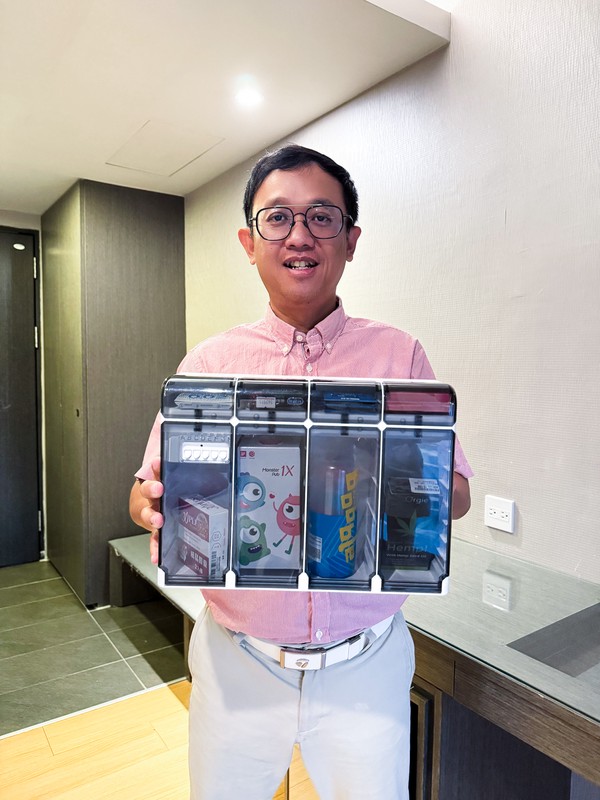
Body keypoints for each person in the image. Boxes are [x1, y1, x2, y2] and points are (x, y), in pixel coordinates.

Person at [130, 144, 472, 800]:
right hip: (237, 664)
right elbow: (146, 488)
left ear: (350, 240)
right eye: (278, 217)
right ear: (249, 242)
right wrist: (151, 506)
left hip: (367, 662)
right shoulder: (209, 365)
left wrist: (404, 481)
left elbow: (455, 496)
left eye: (321, 217)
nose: (299, 235)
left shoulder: (399, 355)